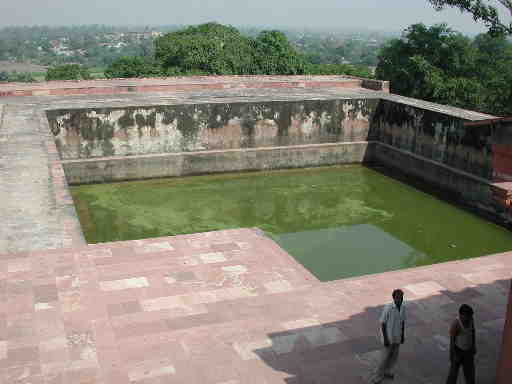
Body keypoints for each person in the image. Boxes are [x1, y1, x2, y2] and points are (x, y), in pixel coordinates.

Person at [370, 289, 406, 383]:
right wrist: (385, 339)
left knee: (394, 357)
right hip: (389, 338)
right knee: (384, 358)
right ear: (394, 298)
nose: (400, 299)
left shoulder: (403, 307)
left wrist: (402, 335)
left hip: (397, 337)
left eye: (401, 297)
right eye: (398, 297)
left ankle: (387, 372)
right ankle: (377, 376)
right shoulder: (388, 308)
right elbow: (382, 323)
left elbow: (402, 322)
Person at [446, 304, 476, 384]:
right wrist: (452, 355)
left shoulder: (471, 320)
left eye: (470, 316)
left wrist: (473, 345)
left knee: (470, 373)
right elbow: (452, 341)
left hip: (468, 351)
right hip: (458, 352)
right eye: (467, 316)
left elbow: (473, 332)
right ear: (461, 315)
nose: (469, 318)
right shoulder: (456, 324)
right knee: (453, 374)